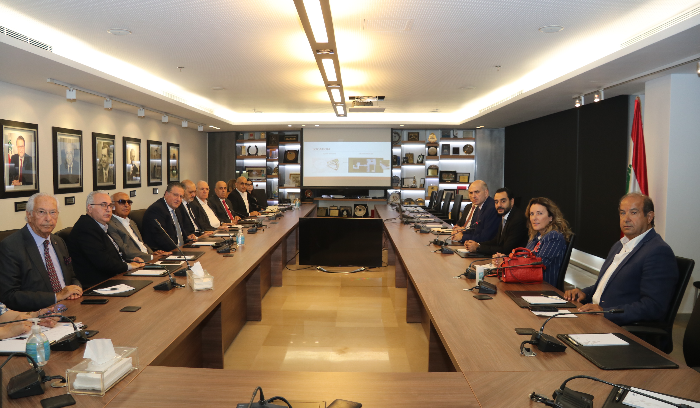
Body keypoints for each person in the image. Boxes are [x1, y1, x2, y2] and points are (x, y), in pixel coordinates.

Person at [564, 193, 678, 326]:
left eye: (633, 213)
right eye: (622, 213)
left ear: (649, 217)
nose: (626, 219)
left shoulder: (657, 251)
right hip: (596, 317)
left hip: (619, 326)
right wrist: (584, 293)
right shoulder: (619, 245)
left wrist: (606, 312)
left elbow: (653, 307)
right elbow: (608, 286)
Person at [0, 193, 82, 311]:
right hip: (37, 314)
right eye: (42, 212)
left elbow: (72, 277)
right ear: (29, 215)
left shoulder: (59, 241)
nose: (48, 218)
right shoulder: (11, 246)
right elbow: (9, 296)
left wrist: (76, 289)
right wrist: (57, 296)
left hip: (70, 306)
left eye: (53, 212)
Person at [69, 191, 145, 289]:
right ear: (90, 208)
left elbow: (111, 255)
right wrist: (129, 266)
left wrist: (130, 261)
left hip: (114, 278)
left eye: (110, 206)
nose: (108, 210)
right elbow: (103, 263)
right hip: (98, 285)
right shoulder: (85, 228)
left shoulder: (100, 225)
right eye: (103, 205)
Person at [519, 197, 571, 287]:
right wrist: (504, 259)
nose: (534, 218)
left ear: (551, 217)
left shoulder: (554, 236)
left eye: (539, 213)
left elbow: (538, 264)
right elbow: (523, 256)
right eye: (532, 214)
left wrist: (512, 264)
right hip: (529, 282)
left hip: (544, 287)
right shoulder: (536, 235)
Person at [108, 192, 171, 261]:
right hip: (137, 261)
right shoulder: (111, 225)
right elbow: (125, 251)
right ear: (112, 205)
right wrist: (151, 257)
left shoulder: (131, 222)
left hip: (147, 258)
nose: (126, 205)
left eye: (129, 202)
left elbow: (142, 243)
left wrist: (153, 253)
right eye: (122, 202)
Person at [465, 187, 528, 256]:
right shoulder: (505, 215)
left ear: (512, 201)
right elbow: (497, 241)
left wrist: (478, 248)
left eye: (503, 201)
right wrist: (476, 244)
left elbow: (506, 250)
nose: (499, 205)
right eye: (496, 202)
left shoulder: (518, 219)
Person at [141, 182, 198, 251]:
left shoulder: (176, 208)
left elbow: (179, 231)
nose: (178, 199)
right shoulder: (156, 210)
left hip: (181, 248)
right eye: (175, 195)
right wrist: (179, 251)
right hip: (165, 252)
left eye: (181, 196)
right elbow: (162, 238)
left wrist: (187, 238)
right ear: (166, 194)